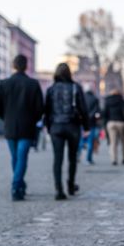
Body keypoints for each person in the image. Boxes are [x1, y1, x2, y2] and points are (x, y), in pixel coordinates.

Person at [0, 54, 44, 201]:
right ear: (26, 66)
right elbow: (40, 108)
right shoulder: (33, 84)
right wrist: (33, 119)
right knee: (21, 157)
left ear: (14, 65)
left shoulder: (4, 84)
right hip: (27, 127)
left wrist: (6, 118)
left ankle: (19, 184)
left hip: (10, 126)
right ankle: (17, 186)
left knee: (15, 157)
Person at [44, 63, 89, 200]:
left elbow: (47, 110)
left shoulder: (51, 89)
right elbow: (83, 109)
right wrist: (86, 127)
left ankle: (59, 190)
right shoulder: (76, 88)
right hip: (72, 126)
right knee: (72, 158)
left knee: (57, 159)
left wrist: (48, 127)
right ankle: (70, 185)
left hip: (56, 127)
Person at [103, 89, 124, 165]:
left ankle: (114, 160)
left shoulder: (107, 101)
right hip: (121, 122)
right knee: (123, 141)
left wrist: (105, 124)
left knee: (113, 142)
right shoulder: (122, 101)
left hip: (111, 123)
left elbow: (104, 114)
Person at [80, 90, 101, 164]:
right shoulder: (95, 99)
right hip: (92, 123)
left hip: (82, 122)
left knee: (81, 140)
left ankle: (77, 157)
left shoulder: (82, 98)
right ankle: (88, 159)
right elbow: (98, 111)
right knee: (90, 141)